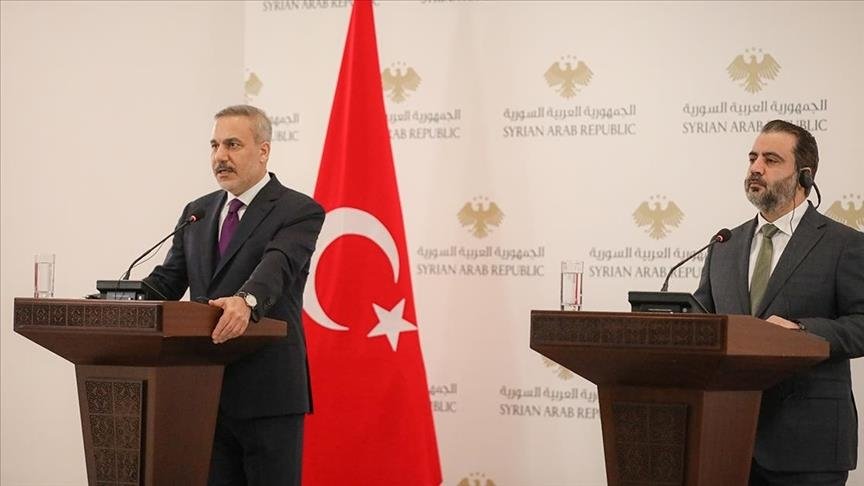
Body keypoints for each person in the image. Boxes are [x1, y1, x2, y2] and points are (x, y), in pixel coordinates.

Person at [143, 104, 324, 485]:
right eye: (214, 145)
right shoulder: (198, 212)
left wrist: (247, 301)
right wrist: (119, 300)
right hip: (203, 391)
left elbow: (277, 266)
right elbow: (169, 280)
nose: (220, 156)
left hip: (267, 392)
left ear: (263, 150)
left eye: (232, 145)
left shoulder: (298, 210)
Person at [694, 119, 864, 485]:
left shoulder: (844, 244)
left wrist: (802, 332)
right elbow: (702, 319)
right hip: (725, 440)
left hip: (808, 446)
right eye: (752, 158)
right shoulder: (724, 245)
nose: (756, 168)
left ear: (805, 176)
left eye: (771, 160)